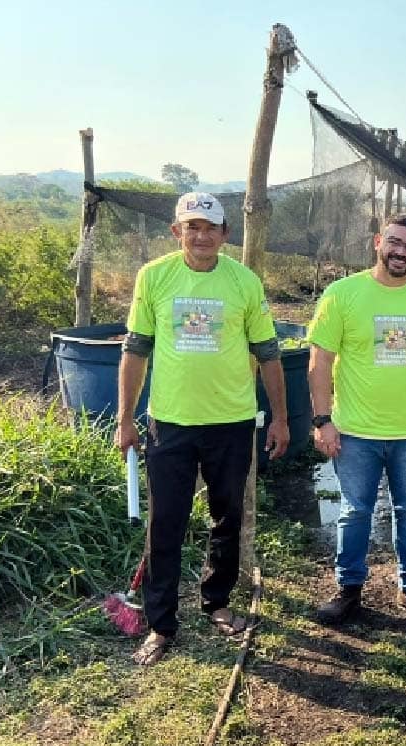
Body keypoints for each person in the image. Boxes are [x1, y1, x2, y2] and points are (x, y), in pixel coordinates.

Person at [116, 191, 289, 667]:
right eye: (192, 226)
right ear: (177, 232)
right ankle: (160, 624)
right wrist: (126, 418)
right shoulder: (154, 277)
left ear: (226, 235)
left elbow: (269, 354)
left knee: (226, 517)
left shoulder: (244, 282)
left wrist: (279, 416)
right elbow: (136, 350)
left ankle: (216, 602)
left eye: (212, 227)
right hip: (169, 423)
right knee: (165, 521)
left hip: (231, 422)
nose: (202, 235)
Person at [308, 214, 406, 625]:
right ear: (378, 241)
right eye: (394, 242)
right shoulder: (343, 294)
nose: (400, 251)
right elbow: (320, 361)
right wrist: (322, 419)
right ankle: (349, 590)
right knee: (354, 511)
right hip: (355, 431)